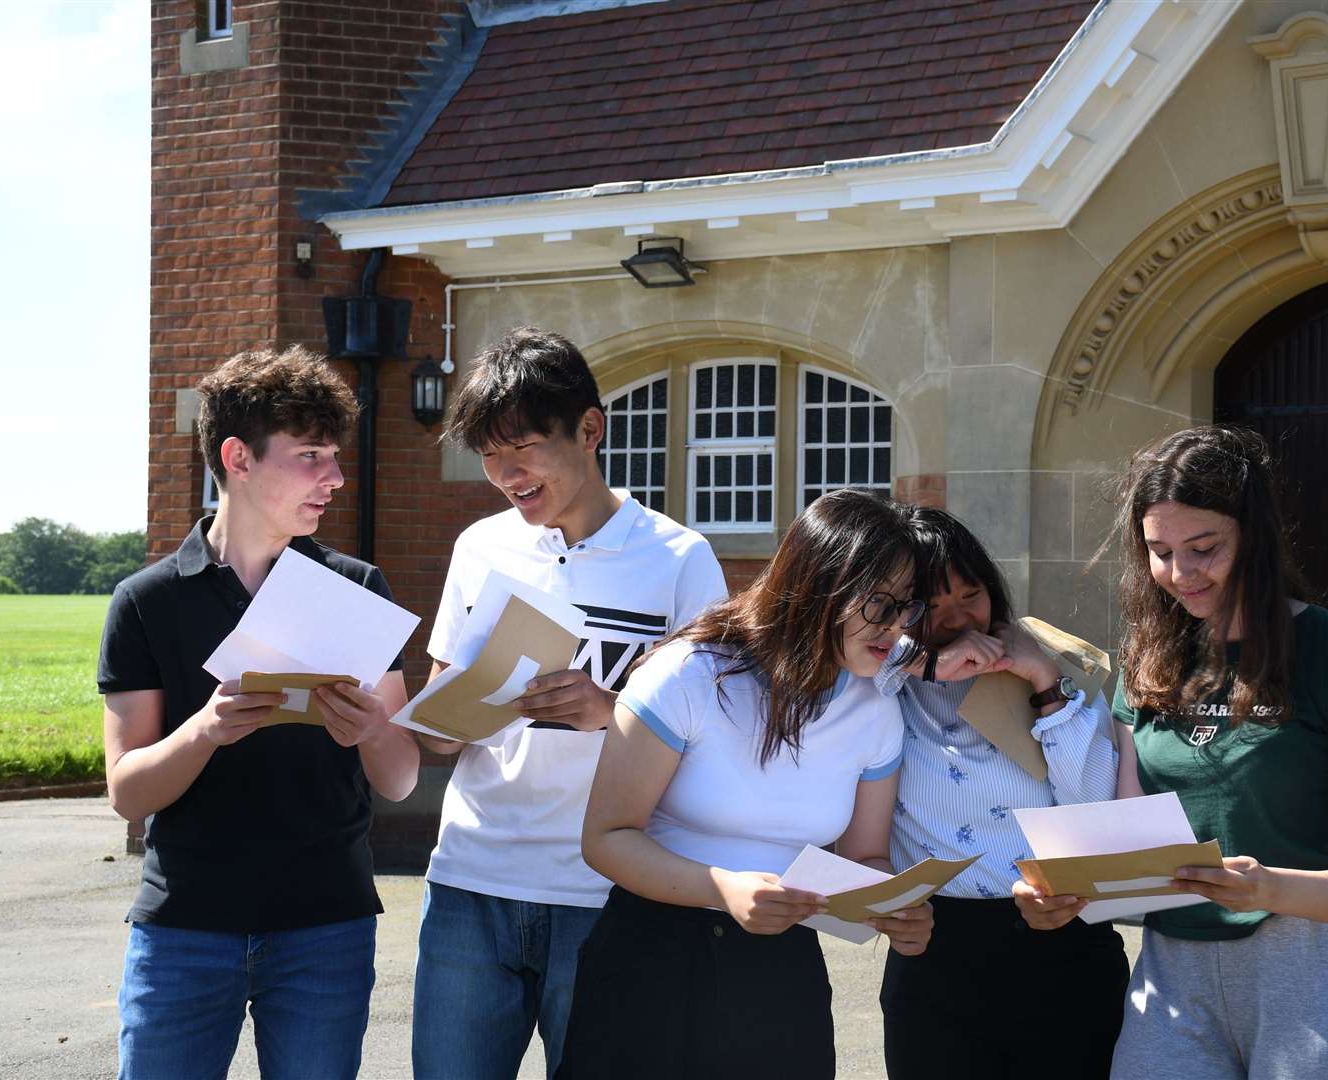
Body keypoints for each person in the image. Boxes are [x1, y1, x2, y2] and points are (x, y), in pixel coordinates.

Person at [410, 327, 726, 1080]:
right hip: (469, 879)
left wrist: (607, 709)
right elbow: (439, 717)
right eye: (488, 454)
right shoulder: (481, 548)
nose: (504, 474)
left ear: (589, 429)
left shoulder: (679, 559)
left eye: (520, 447)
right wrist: (438, 722)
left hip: (607, 891)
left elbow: (717, 737)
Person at [98, 346, 421, 1080]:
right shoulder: (147, 602)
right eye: (311, 456)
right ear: (238, 457)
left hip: (326, 927)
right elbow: (128, 792)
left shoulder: (357, 586)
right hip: (184, 930)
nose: (335, 478)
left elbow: (400, 778)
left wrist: (372, 727)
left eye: (336, 457)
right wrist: (205, 730)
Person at [557, 489, 936, 1080]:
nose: (896, 628)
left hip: (779, 973)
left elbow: (865, 855)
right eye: (879, 604)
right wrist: (724, 890)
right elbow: (606, 837)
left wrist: (895, 908)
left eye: (907, 608)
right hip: (652, 962)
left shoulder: (876, 710)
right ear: (821, 584)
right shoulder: (688, 672)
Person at [1105, 426, 1328, 1080]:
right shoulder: (1146, 664)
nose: (1180, 573)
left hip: (1319, 969)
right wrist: (1068, 892)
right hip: (1173, 970)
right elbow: (1130, 844)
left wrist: (1267, 886)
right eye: (1159, 552)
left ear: (1256, 537)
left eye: (1204, 548)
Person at [873, 506, 1130, 1079]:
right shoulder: (879, 686)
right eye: (930, 604)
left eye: (971, 594)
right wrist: (921, 664)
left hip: (1061, 941)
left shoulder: (1051, 665)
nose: (956, 618)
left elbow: (1094, 805)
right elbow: (822, 649)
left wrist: (1043, 683)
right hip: (936, 951)